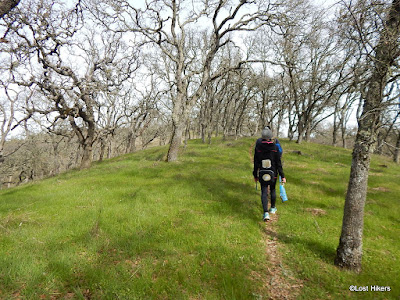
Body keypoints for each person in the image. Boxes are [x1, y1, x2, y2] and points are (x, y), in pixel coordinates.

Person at [253, 127, 286, 221]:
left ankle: (265, 213)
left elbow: (256, 163)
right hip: (273, 173)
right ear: (271, 137)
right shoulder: (275, 148)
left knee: (264, 191)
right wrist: (282, 176)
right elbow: (278, 163)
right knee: (272, 189)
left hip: (262, 173)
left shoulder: (258, 148)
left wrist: (255, 175)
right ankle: (272, 208)